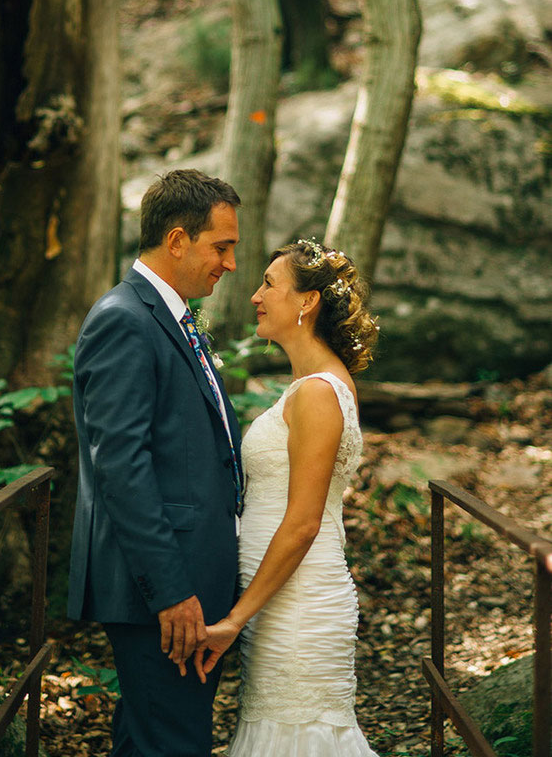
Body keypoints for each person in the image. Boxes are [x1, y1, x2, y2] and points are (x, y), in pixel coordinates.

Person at [67, 168, 243, 757]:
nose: (230, 263)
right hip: (164, 592)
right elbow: (120, 466)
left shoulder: (172, 317)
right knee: (171, 742)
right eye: (221, 247)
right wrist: (170, 591)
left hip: (188, 580)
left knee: (153, 738)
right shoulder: (125, 319)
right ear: (176, 240)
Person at [193, 238, 380, 756]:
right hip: (276, 604)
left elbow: (303, 523)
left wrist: (233, 619)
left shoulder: (319, 392)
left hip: (297, 607)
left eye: (269, 285)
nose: (255, 295)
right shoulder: (306, 386)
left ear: (306, 301)